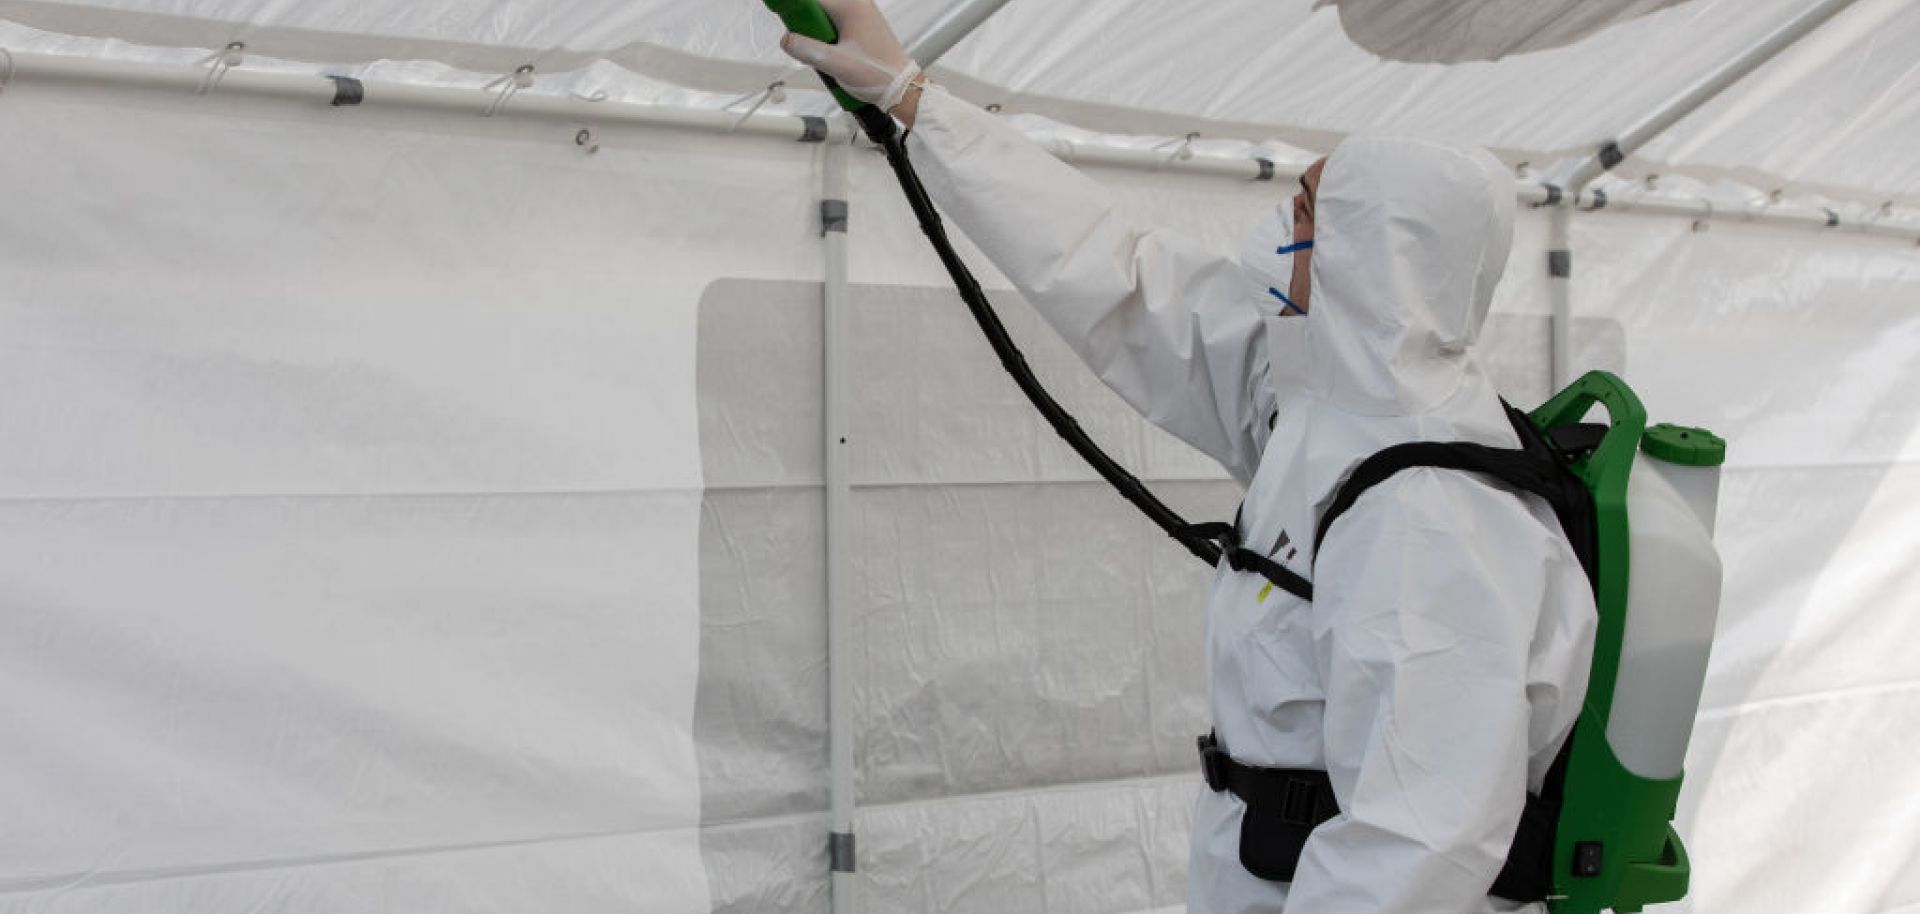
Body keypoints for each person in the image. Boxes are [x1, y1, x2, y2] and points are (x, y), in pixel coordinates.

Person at [781, 3, 1598, 912]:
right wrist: (915, 98)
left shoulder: (1429, 509)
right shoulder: (1320, 409)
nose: (1283, 226)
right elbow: (1118, 274)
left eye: (1309, 209)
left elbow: (1416, 843)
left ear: (1376, 253)